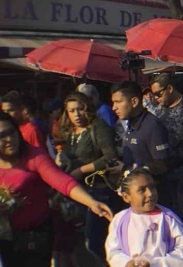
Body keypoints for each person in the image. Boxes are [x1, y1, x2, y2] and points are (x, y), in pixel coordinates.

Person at [0, 112, 112, 267]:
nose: (9, 139)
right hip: (5, 239)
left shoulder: (33, 155)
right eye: (1, 136)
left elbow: (62, 181)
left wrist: (91, 202)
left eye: (12, 132)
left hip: (35, 236)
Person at [57, 92, 119, 261]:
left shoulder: (98, 127)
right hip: (79, 192)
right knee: (80, 241)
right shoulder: (70, 131)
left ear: (88, 109)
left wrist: (82, 170)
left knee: (94, 242)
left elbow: (110, 157)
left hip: (99, 190)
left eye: (80, 109)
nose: (76, 115)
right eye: (71, 111)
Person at [106, 168, 183, 267]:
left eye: (152, 187)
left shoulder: (167, 218)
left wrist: (154, 264)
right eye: (141, 190)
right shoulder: (120, 220)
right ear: (126, 197)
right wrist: (127, 263)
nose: (150, 193)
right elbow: (113, 251)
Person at [151, 74, 183, 221]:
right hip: (166, 170)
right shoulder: (160, 110)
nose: (156, 98)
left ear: (169, 88)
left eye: (158, 94)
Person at [110, 82, 171, 204]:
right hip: (135, 201)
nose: (114, 107)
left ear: (134, 102)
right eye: (113, 102)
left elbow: (163, 165)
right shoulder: (131, 124)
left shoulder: (152, 126)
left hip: (153, 201)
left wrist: (128, 169)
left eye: (118, 102)